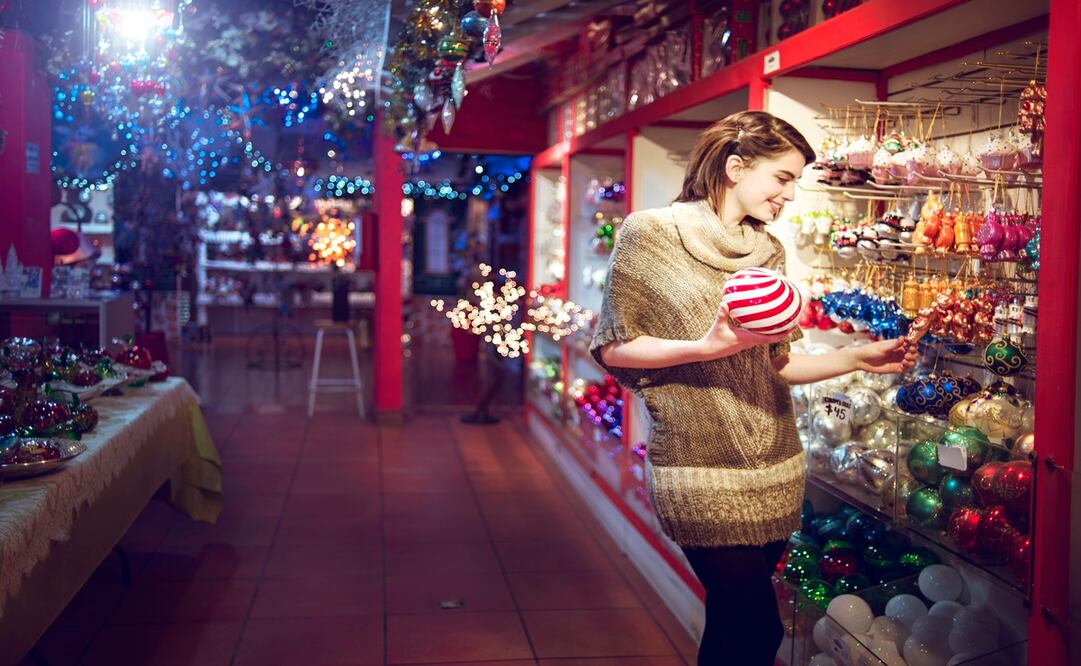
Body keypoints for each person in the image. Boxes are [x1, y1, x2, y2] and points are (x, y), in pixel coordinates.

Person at [590, 110, 917, 666]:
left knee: (731, 625)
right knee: (758, 626)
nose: (790, 195)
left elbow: (778, 365)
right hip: (696, 465)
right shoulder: (650, 233)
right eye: (783, 178)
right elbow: (614, 348)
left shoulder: (768, 252)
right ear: (736, 167)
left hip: (776, 463)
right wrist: (706, 347)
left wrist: (857, 356)